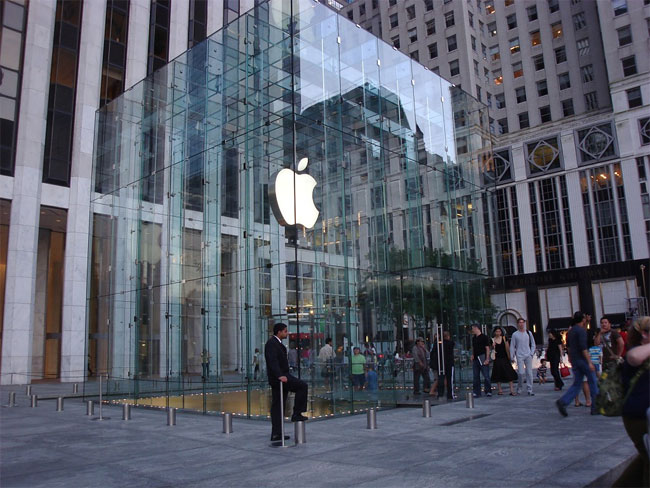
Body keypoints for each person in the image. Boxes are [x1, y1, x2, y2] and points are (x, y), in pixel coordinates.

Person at [614, 316, 650, 487]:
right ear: (644, 334)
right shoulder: (636, 352)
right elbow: (633, 357)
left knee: (644, 459)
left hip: (645, 414)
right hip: (638, 416)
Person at [264, 323, 308, 442]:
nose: (287, 333)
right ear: (279, 332)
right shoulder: (272, 344)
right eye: (285, 331)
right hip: (280, 378)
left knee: (278, 405)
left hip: (282, 377)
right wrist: (280, 375)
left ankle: (277, 433)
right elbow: (272, 362)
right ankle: (296, 413)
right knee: (302, 386)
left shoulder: (277, 344)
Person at [555, 312, 599, 417]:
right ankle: (595, 406)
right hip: (583, 360)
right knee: (592, 381)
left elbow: (569, 347)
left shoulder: (571, 331)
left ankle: (564, 401)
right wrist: (589, 362)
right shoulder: (581, 331)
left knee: (577, 383)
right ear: (583, 319)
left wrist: (571, 358)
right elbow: (583, 348)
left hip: (575, 359)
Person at [510, 318, 536, 396]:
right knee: (521, 373)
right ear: (517, 324)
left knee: (529, 373)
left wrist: (531, 353)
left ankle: (530, 389)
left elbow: (533, 343)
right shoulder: (515, 334)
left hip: (528, 355)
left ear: (524, 323)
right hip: (519, 355)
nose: (521, 324)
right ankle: (519, 388)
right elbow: (512, 346)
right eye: (520, 323)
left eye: (522, 322)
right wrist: (512, 356)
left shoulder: (528, 333)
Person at [490, 327, 517, 395]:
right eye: (497, 331)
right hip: (497, 358)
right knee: (498, 374)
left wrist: (510, 357)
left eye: (499, 331)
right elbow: (491, 350)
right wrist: (492, 346)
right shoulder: (492, 340)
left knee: (509, 373)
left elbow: (507, 348)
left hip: (504, 358)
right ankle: (500, 390)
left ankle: (511, 390)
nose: (498, 333)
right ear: (494, 332)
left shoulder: (504, 338)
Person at [470, 324, 492, 397]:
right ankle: (476, 391)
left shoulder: (484, 337)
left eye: (473, 328)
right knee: (476, 376)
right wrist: (472, 355)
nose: (472, 330)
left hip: (482, 357)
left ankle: (488, 390)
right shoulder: (474, 338)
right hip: (476, 358)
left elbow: (487, 348)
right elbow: (473, 347)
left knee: (486, 375)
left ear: (477, 328)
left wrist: (487, 358)